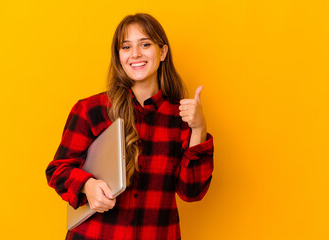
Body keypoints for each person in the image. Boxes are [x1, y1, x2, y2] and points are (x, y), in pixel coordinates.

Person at [46, 13, 214, 240]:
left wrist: (198, 128)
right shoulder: (91, 110)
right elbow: (57, 170)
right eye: (126, 47)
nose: (135, 54)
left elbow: (191, 192)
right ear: (119, 56)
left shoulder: (181, 117)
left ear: (162, 52)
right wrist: (88, 185)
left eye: (145, 44)